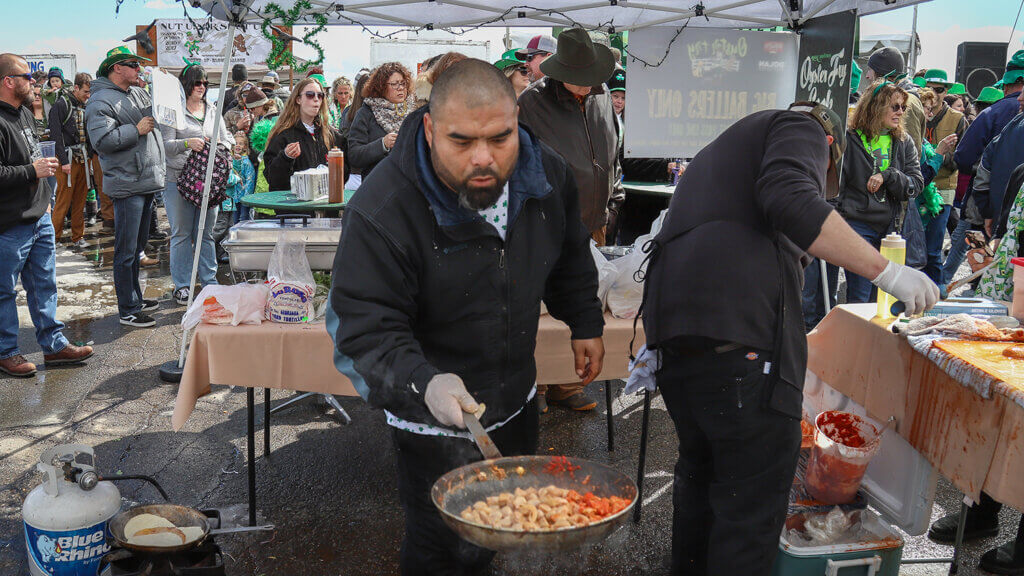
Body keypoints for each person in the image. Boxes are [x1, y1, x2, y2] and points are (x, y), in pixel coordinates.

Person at [329, 58, 604, 576]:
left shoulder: (547, 173)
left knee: (497, 529)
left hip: (517, 401)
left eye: (501, 138)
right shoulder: (383, 207)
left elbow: (570, 254)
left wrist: (585, 319)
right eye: (461, 141)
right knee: (441, 547)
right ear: (430, 128)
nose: (484, 159)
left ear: (517, 121)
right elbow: (363, 330)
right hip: (432, 422)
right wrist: (423, 383)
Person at [641, 100, 938, 576]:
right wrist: (888, 272)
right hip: (738, 342)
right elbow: (792, 199)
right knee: (750, 501)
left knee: (703, 475)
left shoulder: (731, 150)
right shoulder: (798, 127)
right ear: (829, 148)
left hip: (677, 337)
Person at [517, 28, 618, 412]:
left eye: (593, 80)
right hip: (549, 220)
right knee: (545, 302)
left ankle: (566, 384)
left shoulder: (602, 94)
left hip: (594, 216)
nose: (588, 88)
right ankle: (539, 385)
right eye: (581, 80)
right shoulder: (532, 102)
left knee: (586, 298)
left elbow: (611, 146)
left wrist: (613, 192)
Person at [0, 53, 94, 377]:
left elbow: (36, 156)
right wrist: (32, 170)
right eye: (27, 77)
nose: (34, 82)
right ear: (8, 81)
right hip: (9, 224)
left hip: (39, 217)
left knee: (44, 285)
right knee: (4, 292)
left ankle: (53, 346)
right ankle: (6, 352)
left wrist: (49, 194)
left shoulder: (25, 113)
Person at [85, 46, 164, 328]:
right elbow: (102, 141)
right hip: (127, 181)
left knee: (137, 246)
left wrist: (162, 89)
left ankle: (135, 298)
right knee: (126, 250)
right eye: (132, 64)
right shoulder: (99, 102)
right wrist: (136, 130)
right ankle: (128, 309)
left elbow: (159, 116)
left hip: (144, 180)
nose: (138, 69)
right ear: (116, 68)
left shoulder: (137, 91)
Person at [837, 81, 924, 303]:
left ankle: (873, 337)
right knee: (859, 295)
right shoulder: (850, 139)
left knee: (884, 299)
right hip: (857, 226)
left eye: (903, 107)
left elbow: (916, 185)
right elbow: (837, 187)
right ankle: (856, 337)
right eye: (895, 106)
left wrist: (890, 175)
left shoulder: (904, 142)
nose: (901, 112)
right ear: (876, 106)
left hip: (891, 230)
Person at [943, 52, 1024, 285]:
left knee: (975, 258)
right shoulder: (1011, 120)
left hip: (989, 213)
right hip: (1001, 217)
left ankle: (943, 291)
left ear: (1007, 84)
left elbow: (967, 158)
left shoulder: (995, 115)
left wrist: (987, 208)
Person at [159, 63, 233, 306]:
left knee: (206, 233)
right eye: (196, 82)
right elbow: (166, 146)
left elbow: (226, 139)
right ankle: (182, 285)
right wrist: (187, 143)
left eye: (204, 83)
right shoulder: (173, 111)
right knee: (182, 233)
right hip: (178, 180)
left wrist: (224, 147)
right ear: (186, 84)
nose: (201, 87)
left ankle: (209, 281)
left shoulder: (212, 109)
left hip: (207, 181)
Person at [919, 70, 967, 285]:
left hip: (943, 188)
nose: (935, 94)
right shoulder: (917, 113)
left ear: (946, 91)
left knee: (933, 249)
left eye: (939, 90)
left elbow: (963, 157)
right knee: (914, 246)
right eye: (930, 89)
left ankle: (936, 293)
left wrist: (937, 156)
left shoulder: (957, 118)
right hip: (919, 186)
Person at [263, 77, 342, 191]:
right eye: (310, 95)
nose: (316, 99)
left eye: (320, 95)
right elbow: (273, 179)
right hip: (294, 205)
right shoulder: (283, 135)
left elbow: (345, 171)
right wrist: (285, 157)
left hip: (325, 204)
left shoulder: (330, 134)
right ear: (298, 99)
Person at [49, 72, 94, 248]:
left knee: (80, 199)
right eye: (85, 92)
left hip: (83, 158)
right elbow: (55, 134)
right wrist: (63, 161)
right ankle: (53, 239)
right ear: (76, 88)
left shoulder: (85, 105)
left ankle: (78, 237)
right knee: (63, 200)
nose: (88, 96)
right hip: (66, 159)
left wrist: (89, 155)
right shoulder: (60, 104)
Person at [348, 62, 414, 180]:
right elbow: (354, 156)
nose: (400, 88)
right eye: (394, 84)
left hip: (409, 186)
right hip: (377, 187)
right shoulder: (366, 113)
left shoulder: (414, 111)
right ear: (381, 87)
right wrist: (382, 144)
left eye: (403, 83)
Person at [863, 46, 926, 154]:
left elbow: (911, 155)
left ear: (880, 75)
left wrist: (889, 172)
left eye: (870, 70)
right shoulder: (891, 99)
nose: (867, 76)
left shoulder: (906, 103)